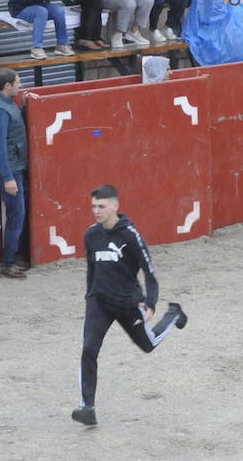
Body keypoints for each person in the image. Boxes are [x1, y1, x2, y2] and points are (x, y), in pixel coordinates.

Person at [73, 183, 188, 427]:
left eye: (101, 206)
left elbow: (149, 271)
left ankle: (174, 315)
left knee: (148, 344)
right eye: (93, 206)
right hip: (99, 302)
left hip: (127, 303)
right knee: (88, 349)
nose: (96, 211)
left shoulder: (131, 236)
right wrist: (89, 296)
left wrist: (151, 302)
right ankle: (87, 407)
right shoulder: (91, 235)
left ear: (115, 206)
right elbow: (91, 269)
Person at [0, 68, 29, 279]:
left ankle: (14, 256)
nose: (20, 85)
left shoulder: (4, 105)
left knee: (17, 214)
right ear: (8, 85)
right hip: (8, 170)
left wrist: (27, 106)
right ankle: (9, 262)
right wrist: (8, 178)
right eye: (18, 82)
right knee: (16, 214)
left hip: (12, 166)